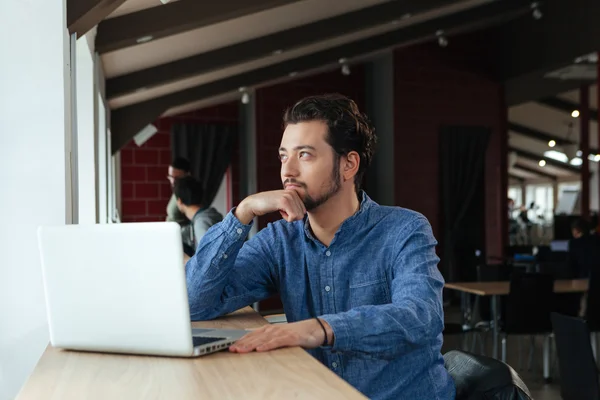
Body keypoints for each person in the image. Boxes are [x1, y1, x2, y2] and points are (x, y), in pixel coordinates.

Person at [185, 94, 455, 399]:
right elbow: (195, 303)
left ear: (348, 164)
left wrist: (318, 328)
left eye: (305, 155)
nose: (288, 172)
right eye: (284, 156)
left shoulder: (403, 229)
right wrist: (243, 212)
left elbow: (419, 317)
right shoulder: (280, 240)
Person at [173, 176, 223, 249]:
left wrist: (185, 258)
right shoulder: (209, 215)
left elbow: (207, 256)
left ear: (179, 201)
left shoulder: (201, 223)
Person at [166, 157, 191, 224]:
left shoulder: (190, 193)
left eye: (177, 178)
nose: (173, 181)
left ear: (187, 175)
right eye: (171, 177)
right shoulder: (177, 190)